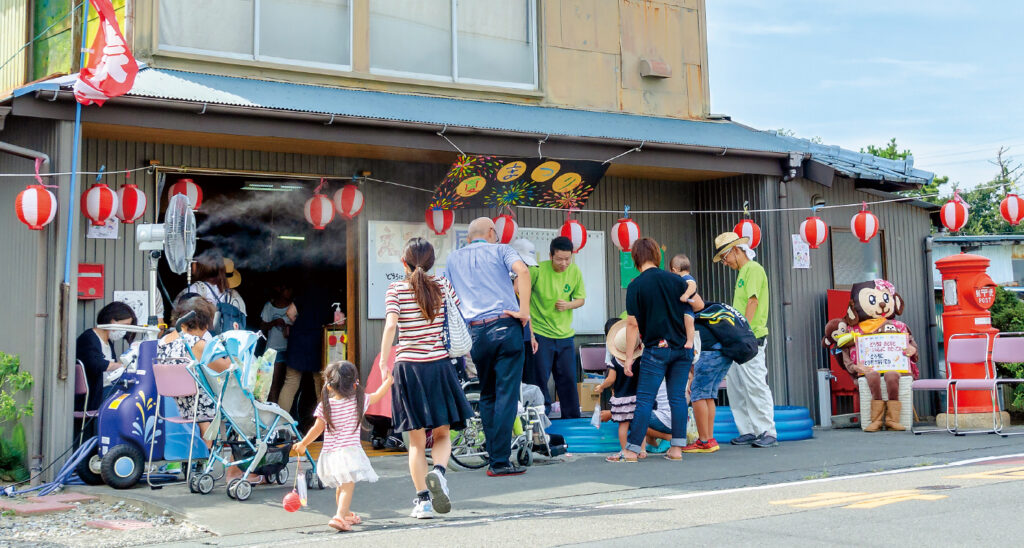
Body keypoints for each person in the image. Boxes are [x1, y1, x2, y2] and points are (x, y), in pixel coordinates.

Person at [380, 237, 476, 518]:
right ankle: (439, 472)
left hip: (408, 368)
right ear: (434, 262)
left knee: (416, 442)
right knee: (443, 433)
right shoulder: (443, 287)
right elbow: (461, 316)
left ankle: (423, 501)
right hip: (439, 367)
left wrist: (385, 362)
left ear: (403, 262)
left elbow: (390, 326)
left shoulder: (395, 289)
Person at [445, 217, 532, 477]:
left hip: (475, 332)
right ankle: (500, 461)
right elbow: (523, 271)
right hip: (506, 325)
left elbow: (449, 294)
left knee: (488, 394)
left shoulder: (452, 259)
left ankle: (496, 458)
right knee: (506, 394)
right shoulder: (502, 249)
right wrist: (524, 310)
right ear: (492, 232)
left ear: (470, 237)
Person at [157, 297, 257, 482]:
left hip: (180, 404)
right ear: (204, 322)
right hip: (201, 406)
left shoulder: (164, 341)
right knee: (248, 415)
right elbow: (228, 367)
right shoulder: (196, 344)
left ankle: (212, 458)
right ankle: (236, 469)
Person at [294, 361, 391, 532]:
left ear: (329, 387)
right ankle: (339, 516)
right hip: (349, 453)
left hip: (331, 454)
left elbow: (317, 429)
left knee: (341, 486)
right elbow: (377, 395)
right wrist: (388, 382)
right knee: (347, 485)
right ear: (355, 383)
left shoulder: (326, 406)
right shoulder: (359, 401)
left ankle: (345, 513)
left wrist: (303, 444)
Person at [620, 238, 690, 462]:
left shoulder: (635, 286)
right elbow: (696, 305)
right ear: (657, 256)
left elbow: (632, 325)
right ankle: (677, 450)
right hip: (681, 348)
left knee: (645, 399)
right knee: (678, 398)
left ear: (635, 258)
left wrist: (629, 358)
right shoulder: (676, 280)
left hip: (655, 350)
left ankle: (631, 451)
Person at [712, 231, 777, 448]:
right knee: (737, 386)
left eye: (725, 257)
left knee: (755, 385)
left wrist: (744, 331)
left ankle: (767, 430)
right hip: (740, 338)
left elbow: (753, 302)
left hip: (750, 337)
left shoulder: (753, 269)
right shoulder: (744, 272)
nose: (725, 262)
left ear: (736, 251)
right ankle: (748, 429)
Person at [528, 236, 586, 418]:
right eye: (559, 259)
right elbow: (521, 296)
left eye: (567, 259)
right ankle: (539, 417)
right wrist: (529, 333)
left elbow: (581, 299)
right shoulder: (536, 270)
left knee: (568, 379)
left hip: (565, 335)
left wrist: (568, 305)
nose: (564, 263)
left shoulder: (574, 271)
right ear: (550, 255)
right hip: (540, 333)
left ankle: (572, 419)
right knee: (539, 380)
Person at [75, 302, 137, 440]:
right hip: (93, 395)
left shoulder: (108, 342)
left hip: (105, 390)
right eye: (124, 326)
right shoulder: (89, 338)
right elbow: (97, 365)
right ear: (112, 320)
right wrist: (122, 366)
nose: (125, 331)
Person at [599, 319, 642, 462]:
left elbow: (611, 380)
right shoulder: (639, 361)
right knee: (639, 425)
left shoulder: (614, 362)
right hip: (637, 397)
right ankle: (641, 450)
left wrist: (602, 386)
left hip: (621, 398)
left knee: (623, 426)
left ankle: (624, 449)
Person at [510, 238, 540, 388]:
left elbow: (526, 309)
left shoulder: (523, 278)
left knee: (529, 381)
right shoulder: (506, 277)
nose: (526, 268)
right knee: (515, 380)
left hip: (526, 337)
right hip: (511, 337)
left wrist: (532, 335)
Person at [261, 283, 295, 403]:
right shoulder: (269, 306)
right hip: (273, 349)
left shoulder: (293, 307)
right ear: (281, 289)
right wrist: (274, 322)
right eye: (288, 288)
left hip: (289, 349)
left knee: (288, 383)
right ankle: (273, 411)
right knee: (273, 384)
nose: (291, 292)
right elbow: (262, 327)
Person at [668, 254, 699, 350]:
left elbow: (692, 285)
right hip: (680, 309)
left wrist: (686, 295)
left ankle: (690, 341)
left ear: (674, 270)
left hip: (687, 308)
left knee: (689, 322)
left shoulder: (686, 277)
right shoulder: (680, 279)